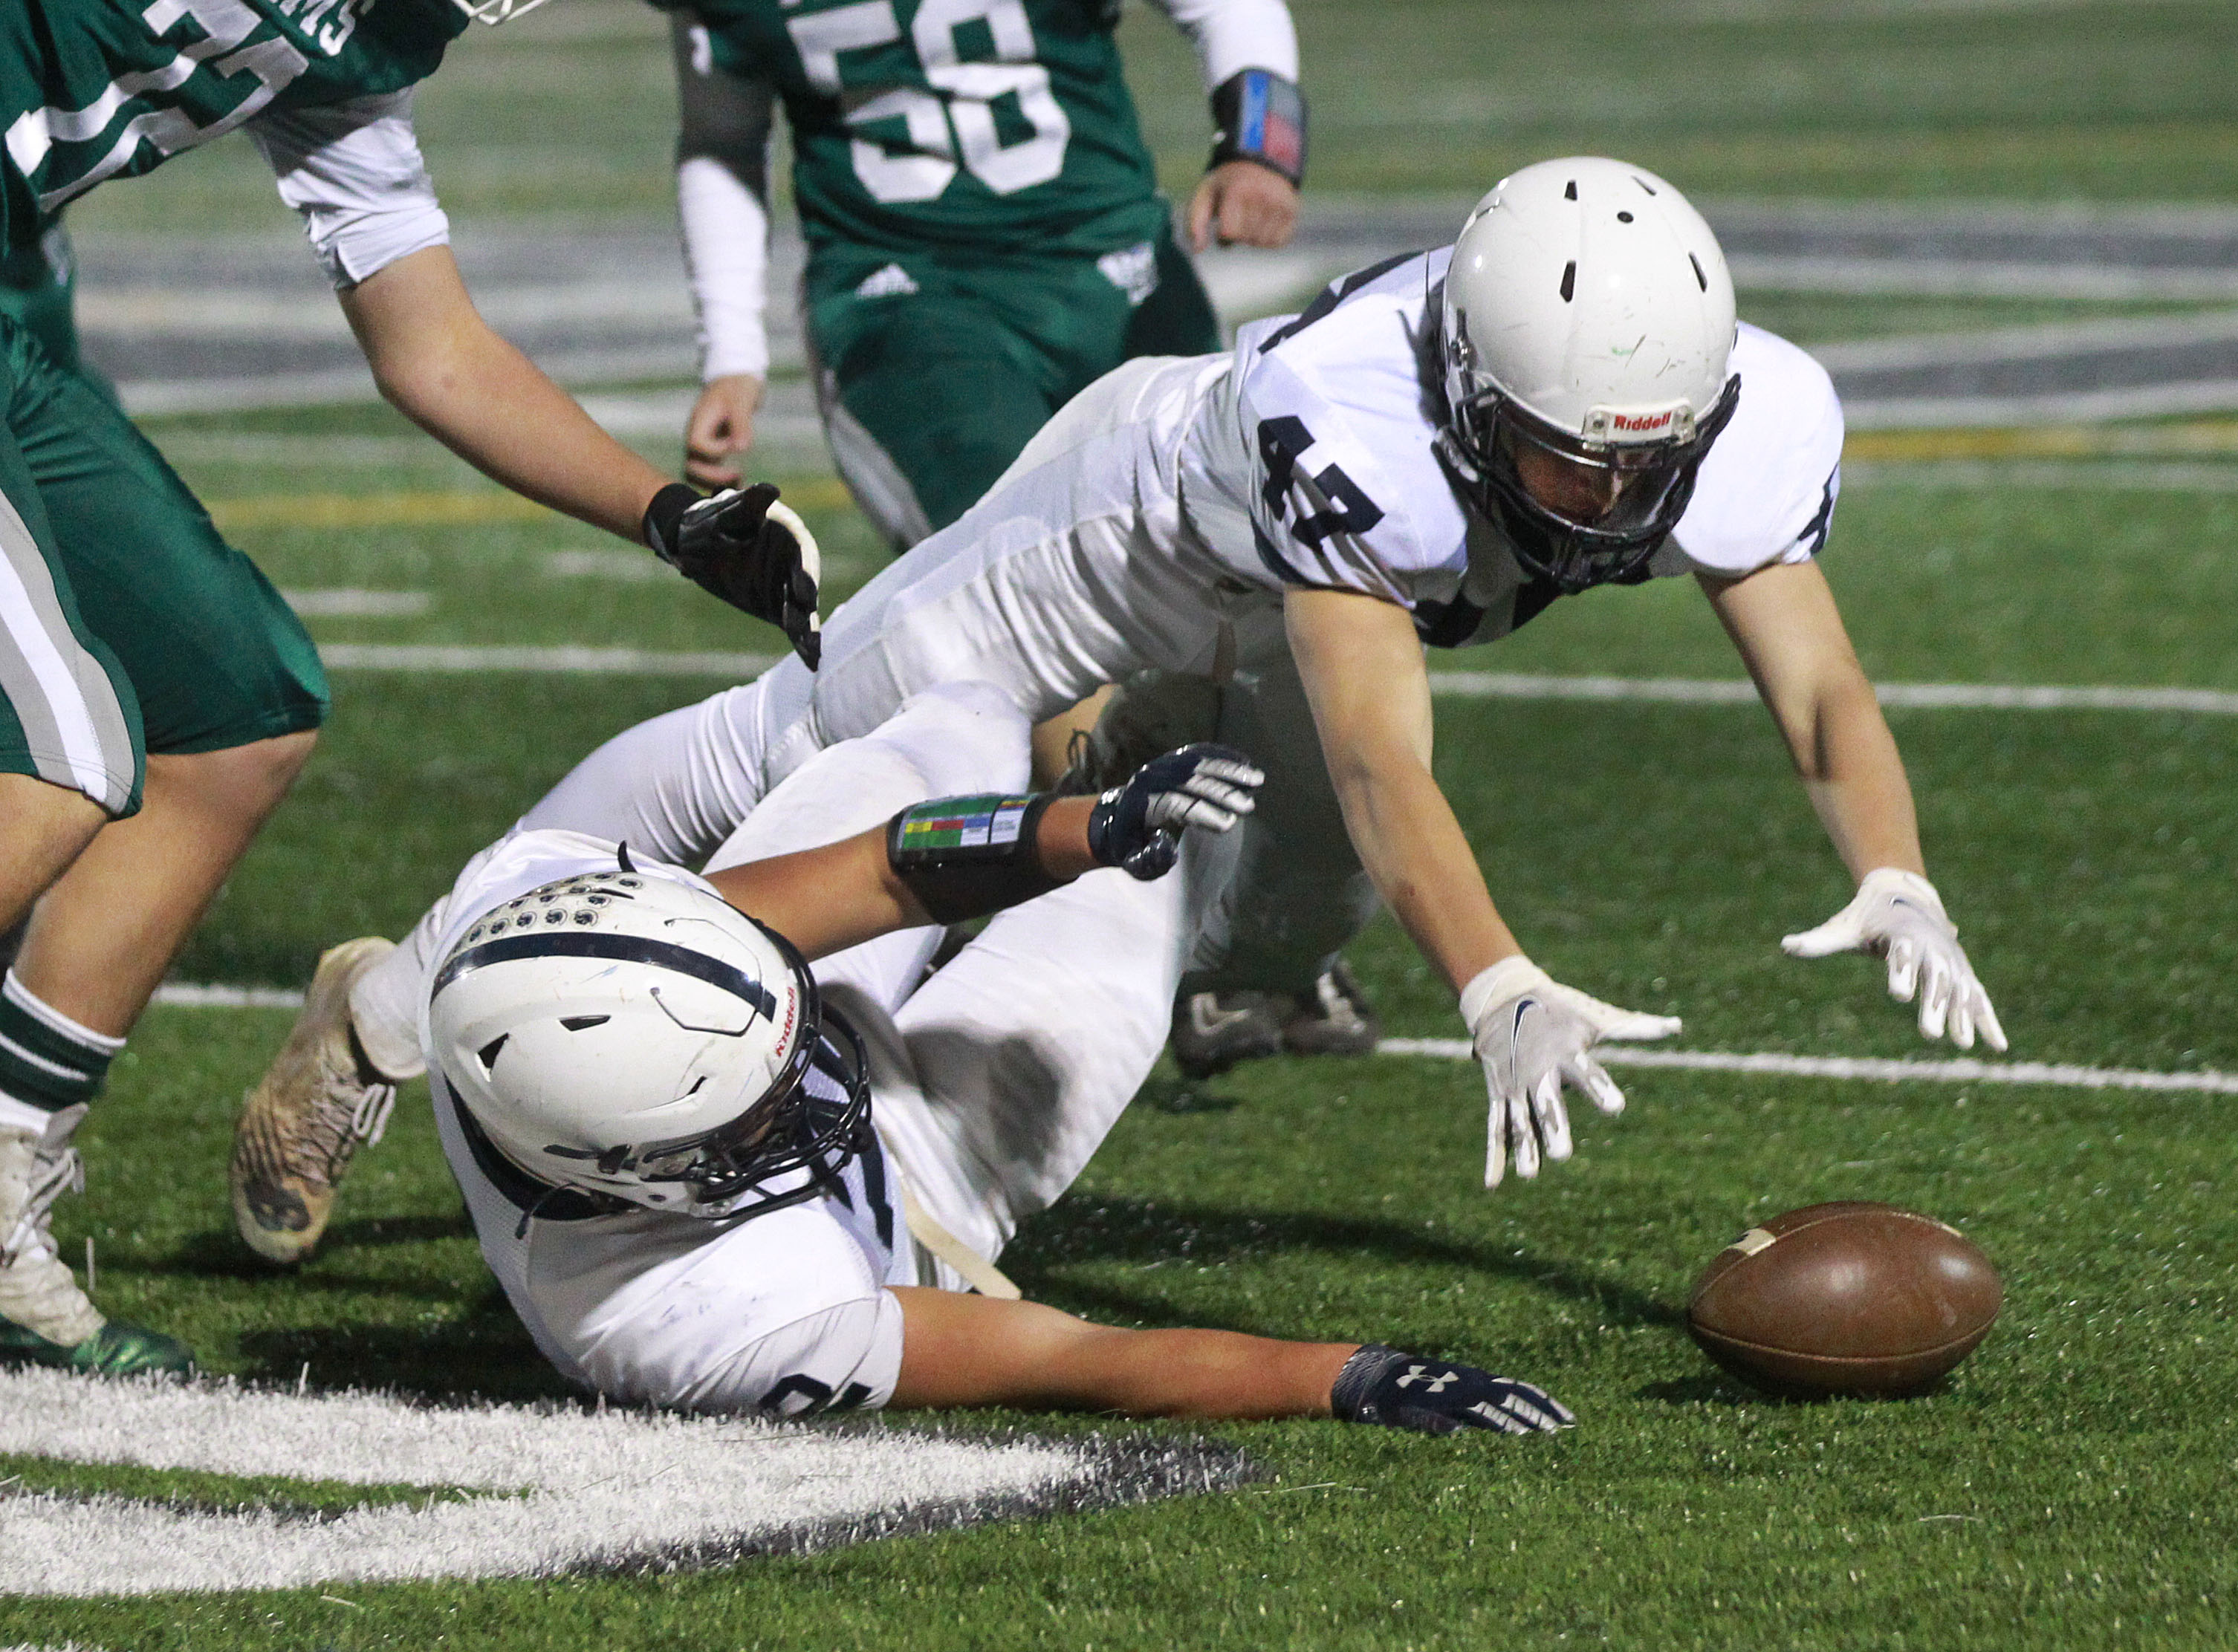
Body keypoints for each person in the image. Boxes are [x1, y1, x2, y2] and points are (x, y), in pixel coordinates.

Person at [243, 156, 2006, 1268]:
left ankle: (1016, 1035)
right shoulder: (1353, 427)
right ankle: (398, 986)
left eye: (1649, 462)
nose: (1614, 503)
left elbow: (1821, 679)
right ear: (1469, 393)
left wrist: (1898, 869)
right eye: (1569, 458)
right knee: (793, 744)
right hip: (1122, 543)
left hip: (1291, 606)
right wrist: (1498, 978)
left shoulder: (1727, 411)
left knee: (1267, 902)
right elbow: (1389, 742)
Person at [0, 0, 818, 1378]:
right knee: (68, 755)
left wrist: (669, 516)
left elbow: (429, 345)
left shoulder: (356, 46)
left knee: (233, 708)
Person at [404, 679, 1571, 1435]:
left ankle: (365, 1024)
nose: (798, 1092)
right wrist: (1341, 1374)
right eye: (754, 1115)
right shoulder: (706, 1321)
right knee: (1170, 891)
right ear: (626, 1172)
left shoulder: (543, 918)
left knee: (956, 715)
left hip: (734, 1019)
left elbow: (877, 870)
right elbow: (1075, 1357)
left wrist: (1086, 826)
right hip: (915, 1201)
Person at [664, 0, 1306, 547]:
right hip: (905, 296)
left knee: (1244, 563)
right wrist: (731, 356)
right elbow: (725, 137)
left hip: (1114, 266)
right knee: (1024, 578)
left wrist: (1261, 150)